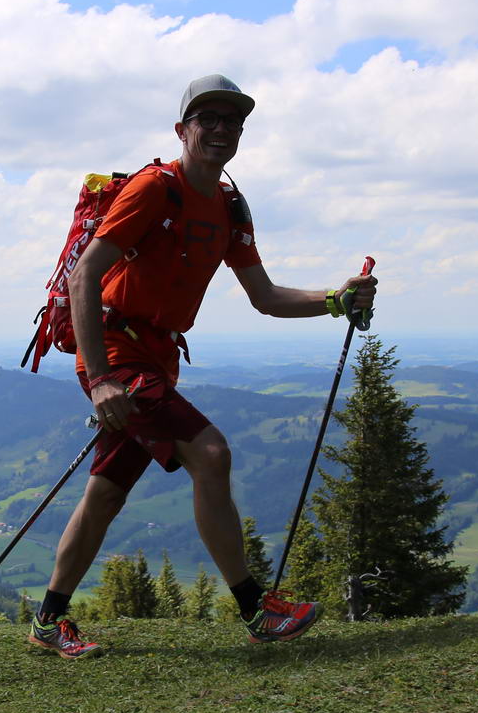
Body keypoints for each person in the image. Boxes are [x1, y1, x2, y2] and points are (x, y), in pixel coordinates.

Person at [28, 74, 378, 658]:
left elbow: (264, 296)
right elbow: (86, 274)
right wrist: (103, 380)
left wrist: (335, 301)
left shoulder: (230, 206)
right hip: (116, 350)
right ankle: (256, 611)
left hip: (157, 356)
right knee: (210, 453)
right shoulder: (153, 189)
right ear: (182, 129)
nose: (221, 129)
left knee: (106, 494)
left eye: (232, 121)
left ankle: (47, 621)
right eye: (207, 119)